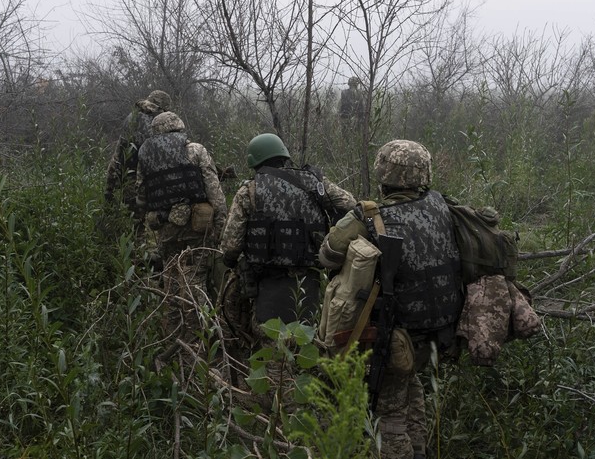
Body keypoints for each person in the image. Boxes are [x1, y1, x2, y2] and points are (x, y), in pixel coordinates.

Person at [318, 140, 464, 459]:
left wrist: (353, 219)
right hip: (442, 331)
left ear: (384, 174)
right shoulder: (445, 206)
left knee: (390, 416)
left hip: (397, 336)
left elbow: (328, 256)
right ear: (424, 173)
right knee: (410, 391)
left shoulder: (372, 217)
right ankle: (420, 451)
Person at [219, 133, 356, 364]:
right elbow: (351, 205)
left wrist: (230, 261)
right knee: (306, 341)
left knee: (270, 344)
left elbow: (231, 245)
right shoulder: (315, 182)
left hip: (268, 283)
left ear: (255, 160)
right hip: (311, 282)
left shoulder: (249, 191)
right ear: (283, 156)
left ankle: (267, 384)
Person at [135, 111, 227, 341]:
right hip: (197, 228)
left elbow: (141, 198)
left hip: (166, 229)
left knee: (172, 282)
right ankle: (203, 340)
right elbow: (215, 194)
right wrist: (221, 226)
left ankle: (174, 338)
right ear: (178, 128)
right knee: (195, 280)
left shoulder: (145, 156)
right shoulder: (195, 150)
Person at [104, 90, 172, 212]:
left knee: (127, 216)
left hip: (124, 176)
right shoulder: (157, 123)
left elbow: (118, 153)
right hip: (143, 183)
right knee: (140, 221)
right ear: (164, 107)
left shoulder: (132, 116)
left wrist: (109, 187)